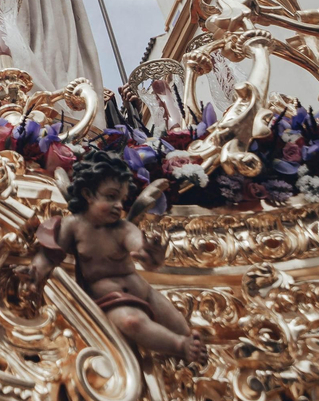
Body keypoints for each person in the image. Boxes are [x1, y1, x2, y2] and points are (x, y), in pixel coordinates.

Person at [22, 153, 206, 365]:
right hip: (109, 300)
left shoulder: (123, 228)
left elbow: (139, 247)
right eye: (111, 197)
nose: (119, 205)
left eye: (122, 199)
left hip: (144, 292)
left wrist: (151, 255)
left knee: (179, 325)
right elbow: (49, 256)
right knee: (132, 322)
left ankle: (190, 349)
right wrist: (34, 274)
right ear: (87, 194)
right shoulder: (73, 226)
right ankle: (181, 347)